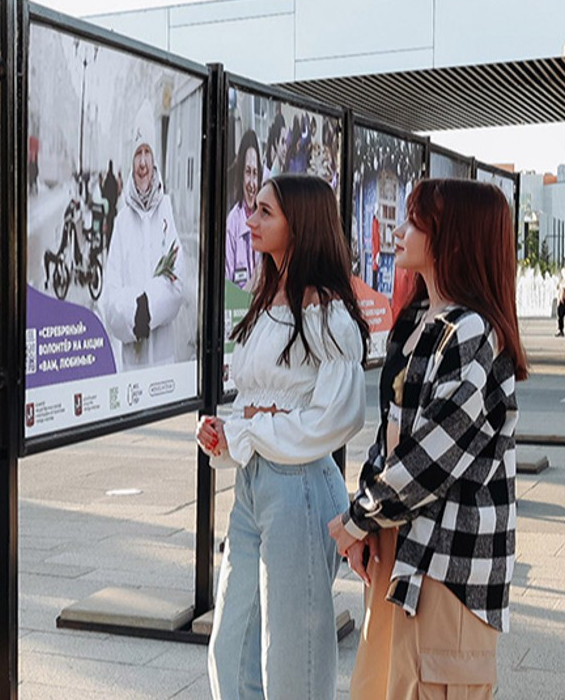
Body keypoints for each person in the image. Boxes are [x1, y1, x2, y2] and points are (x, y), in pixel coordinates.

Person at [327, 178, 525, 699]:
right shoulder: (418, 322)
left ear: (452, 238)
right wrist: (369, 523)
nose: (399, 229)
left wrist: (357, 518)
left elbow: (432, 457)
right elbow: (392, 436)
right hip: (401, 544)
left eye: (416, 221)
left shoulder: (472, 333)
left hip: (447, 558)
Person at [198, 174, 370, 700]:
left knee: (294, 659)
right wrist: (227, 433)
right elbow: (255, 395)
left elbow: (336, 418)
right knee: (231, 647)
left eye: (265, 212)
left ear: (300, 223)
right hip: (253, 486)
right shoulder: (267, 297)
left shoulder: (326, 312)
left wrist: (249, 432)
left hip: (299, 488)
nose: (250, 220)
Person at [101, 110, 186, 369]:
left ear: (155, 161)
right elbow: (110, 297)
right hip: (133, 367)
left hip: (163, 362)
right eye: (138, 154)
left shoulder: (167, 212)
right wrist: (133, 313)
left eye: (147, 153)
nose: (143, 163)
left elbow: (177, 280)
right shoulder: (122, 221)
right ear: (131, 161)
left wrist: (148, 307)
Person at [224, 130, 263, 291]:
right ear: (240, 174)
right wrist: (255, 281)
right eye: (248, 172)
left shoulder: (266, 221)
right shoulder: (231, 225)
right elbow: (228, 298)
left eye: (255, 173)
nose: (252, 183)